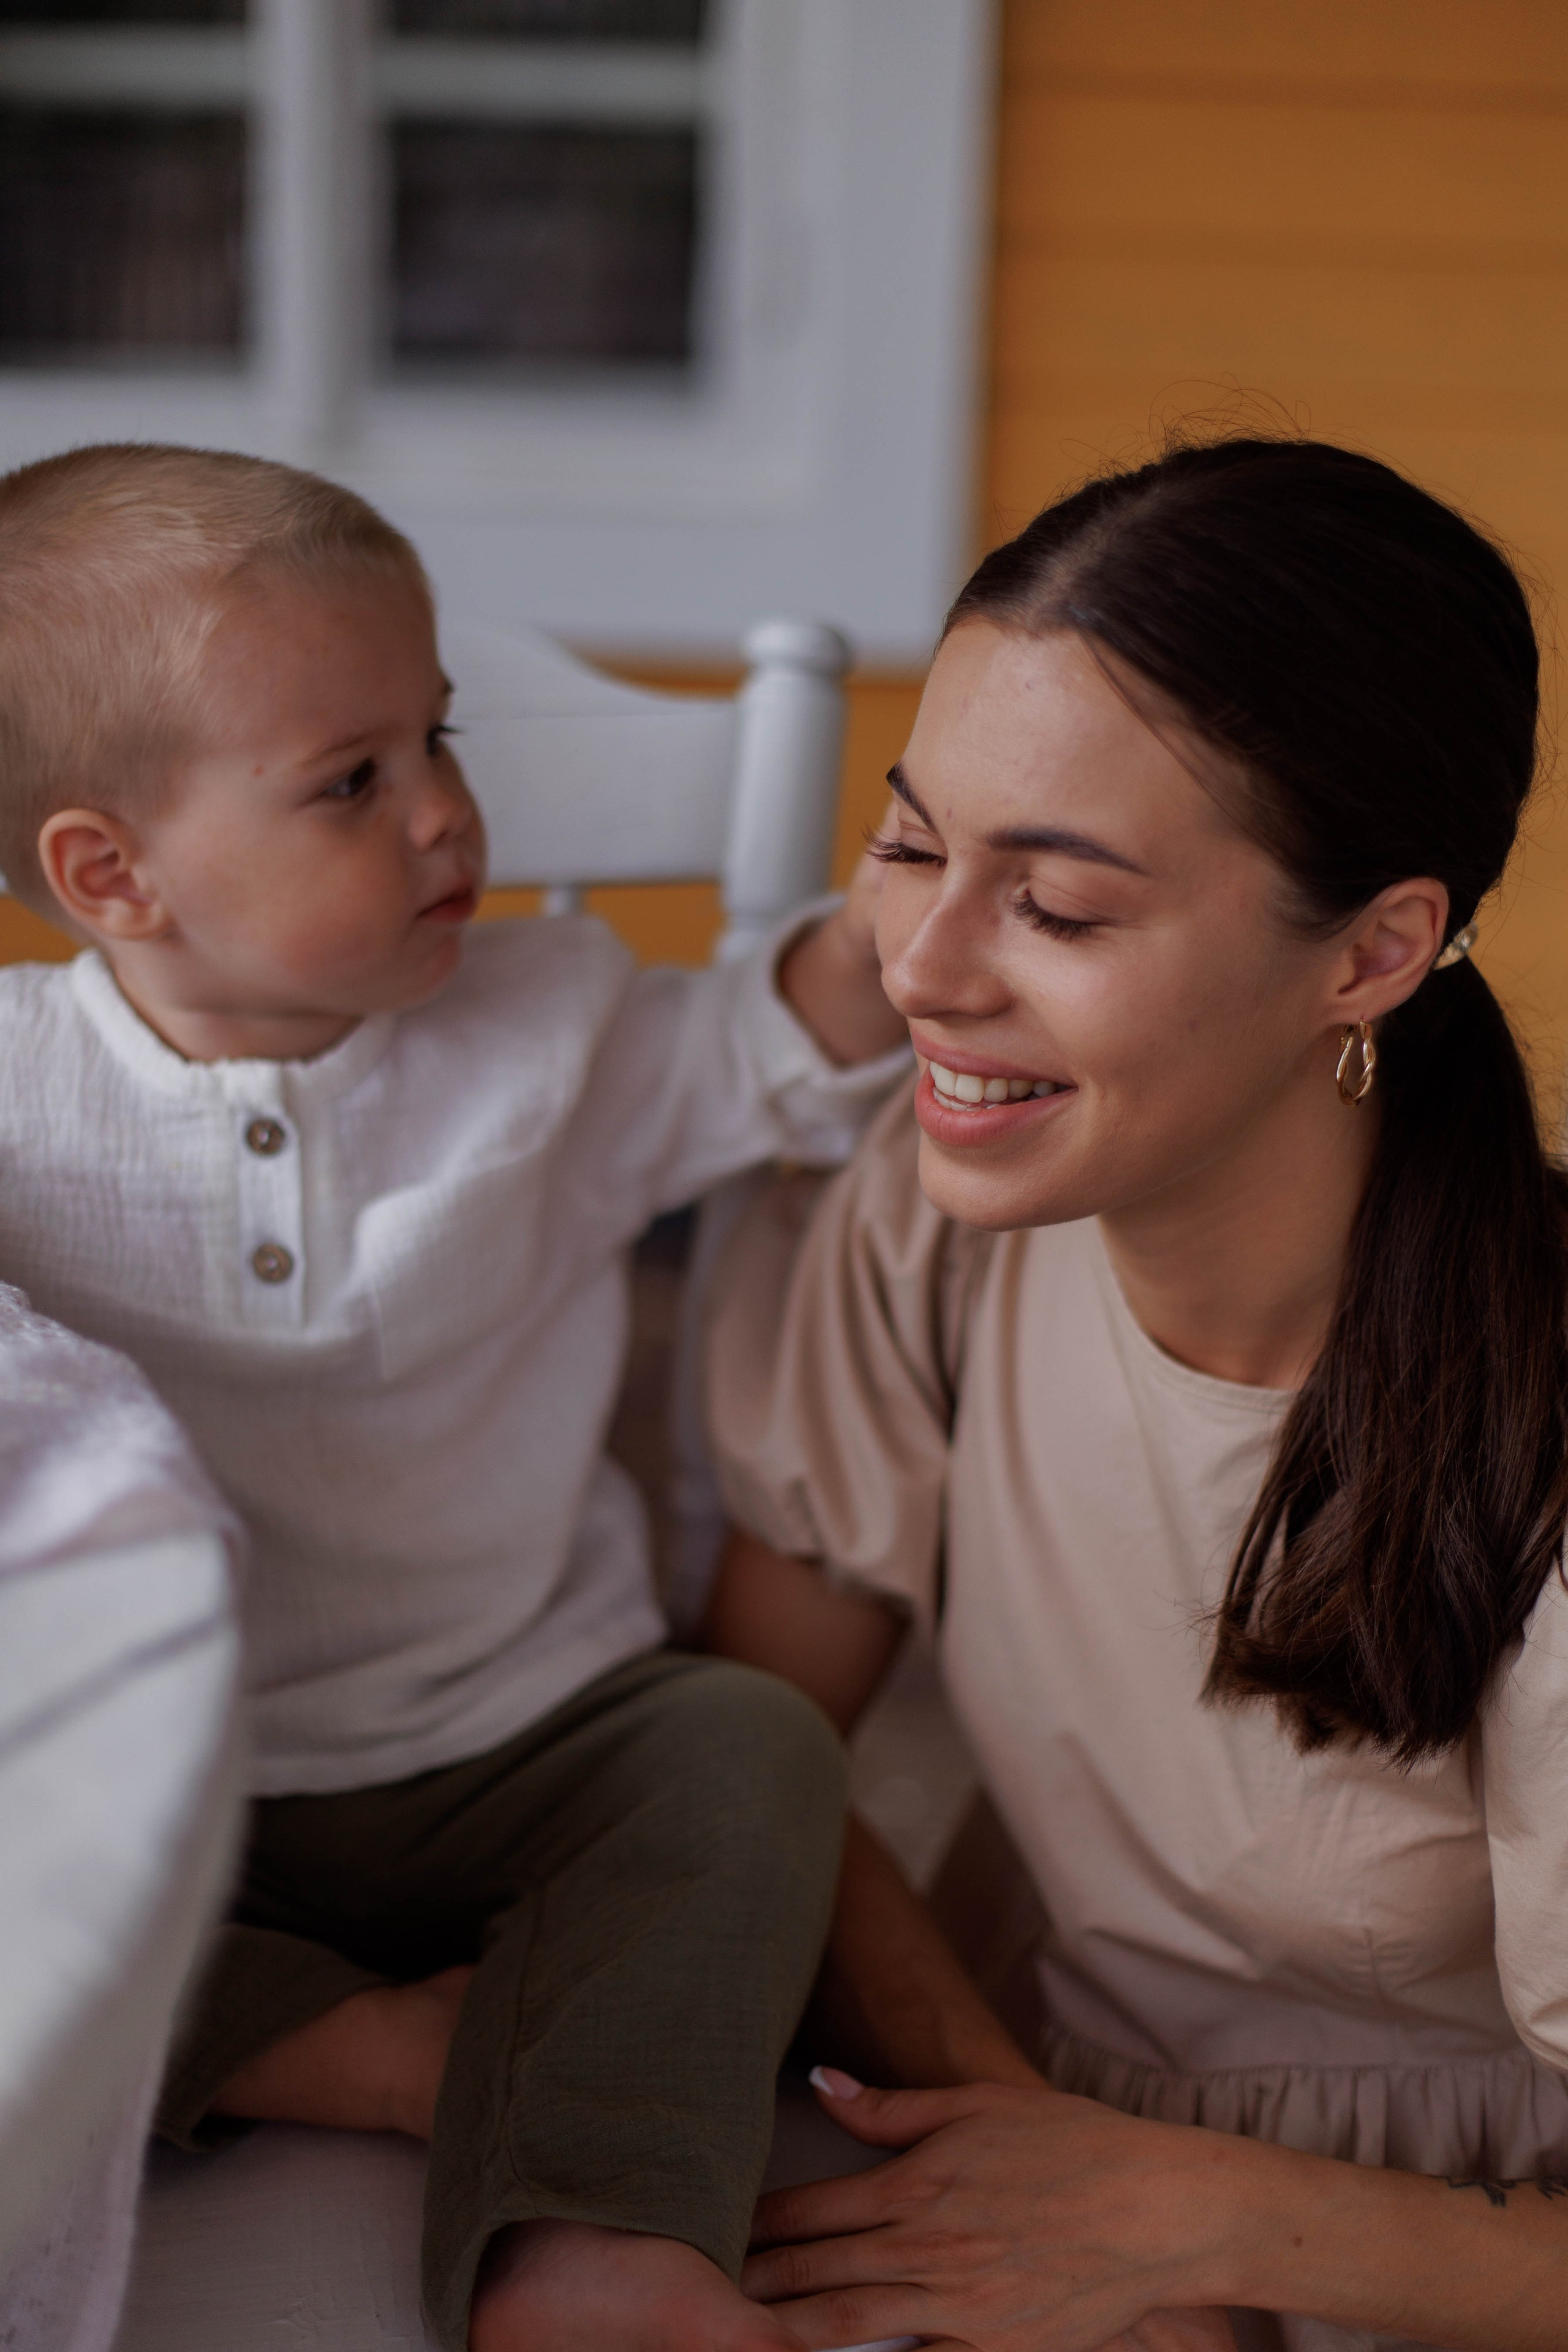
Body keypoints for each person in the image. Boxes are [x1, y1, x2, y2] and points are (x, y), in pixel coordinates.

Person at [0, 443, 912, 2352]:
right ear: (111, 872)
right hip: (170, 1775)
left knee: (749, 1756)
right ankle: (375, 2054)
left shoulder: (554, 1021)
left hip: (525, 1732)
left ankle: (585, 2239)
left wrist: (918, 903)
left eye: (441, 739)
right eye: (355, 780)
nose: (444, 817)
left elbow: (777, 1039)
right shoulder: (15, 1109)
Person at [705, 436, 1568, 2352]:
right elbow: (750, 1756)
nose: (920, 972)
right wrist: (1019, 2146)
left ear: (1374, 952)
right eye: (914, 842)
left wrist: (1206, 2238)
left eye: (1061, 910)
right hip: (1000, 2141)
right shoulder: (926, 1228)